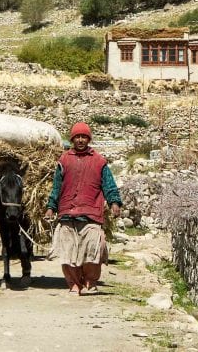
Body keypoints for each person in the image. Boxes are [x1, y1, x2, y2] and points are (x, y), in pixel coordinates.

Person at [45, 122, 122, 295]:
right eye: (77, 137)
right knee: (67, 251)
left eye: (84, 137)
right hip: (67, 213)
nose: (80, 140)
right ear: (72, 139)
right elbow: (56, 187)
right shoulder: (63, 160)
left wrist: (114, 202)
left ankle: (90, 281)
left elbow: (109, 185)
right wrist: (51, 206)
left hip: (91, 214)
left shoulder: (99, 161)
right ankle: (73, 284)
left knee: (94, 248)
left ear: (88, 139)